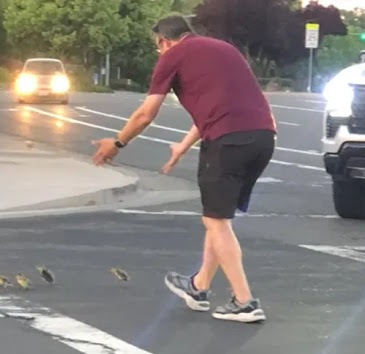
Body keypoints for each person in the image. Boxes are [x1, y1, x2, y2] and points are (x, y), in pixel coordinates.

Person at [91, 14, 277, 323]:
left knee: (216, 222)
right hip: (263, 138)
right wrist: (183, 145)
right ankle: (199, 285)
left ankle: (244, 302)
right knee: (218, 217)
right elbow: (222, 104)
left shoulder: (173, 55)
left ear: (164, 40)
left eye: (157, 47)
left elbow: (145, 113)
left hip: (227, 142)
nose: (158, 52)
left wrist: (118, 143)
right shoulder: (224, 49)